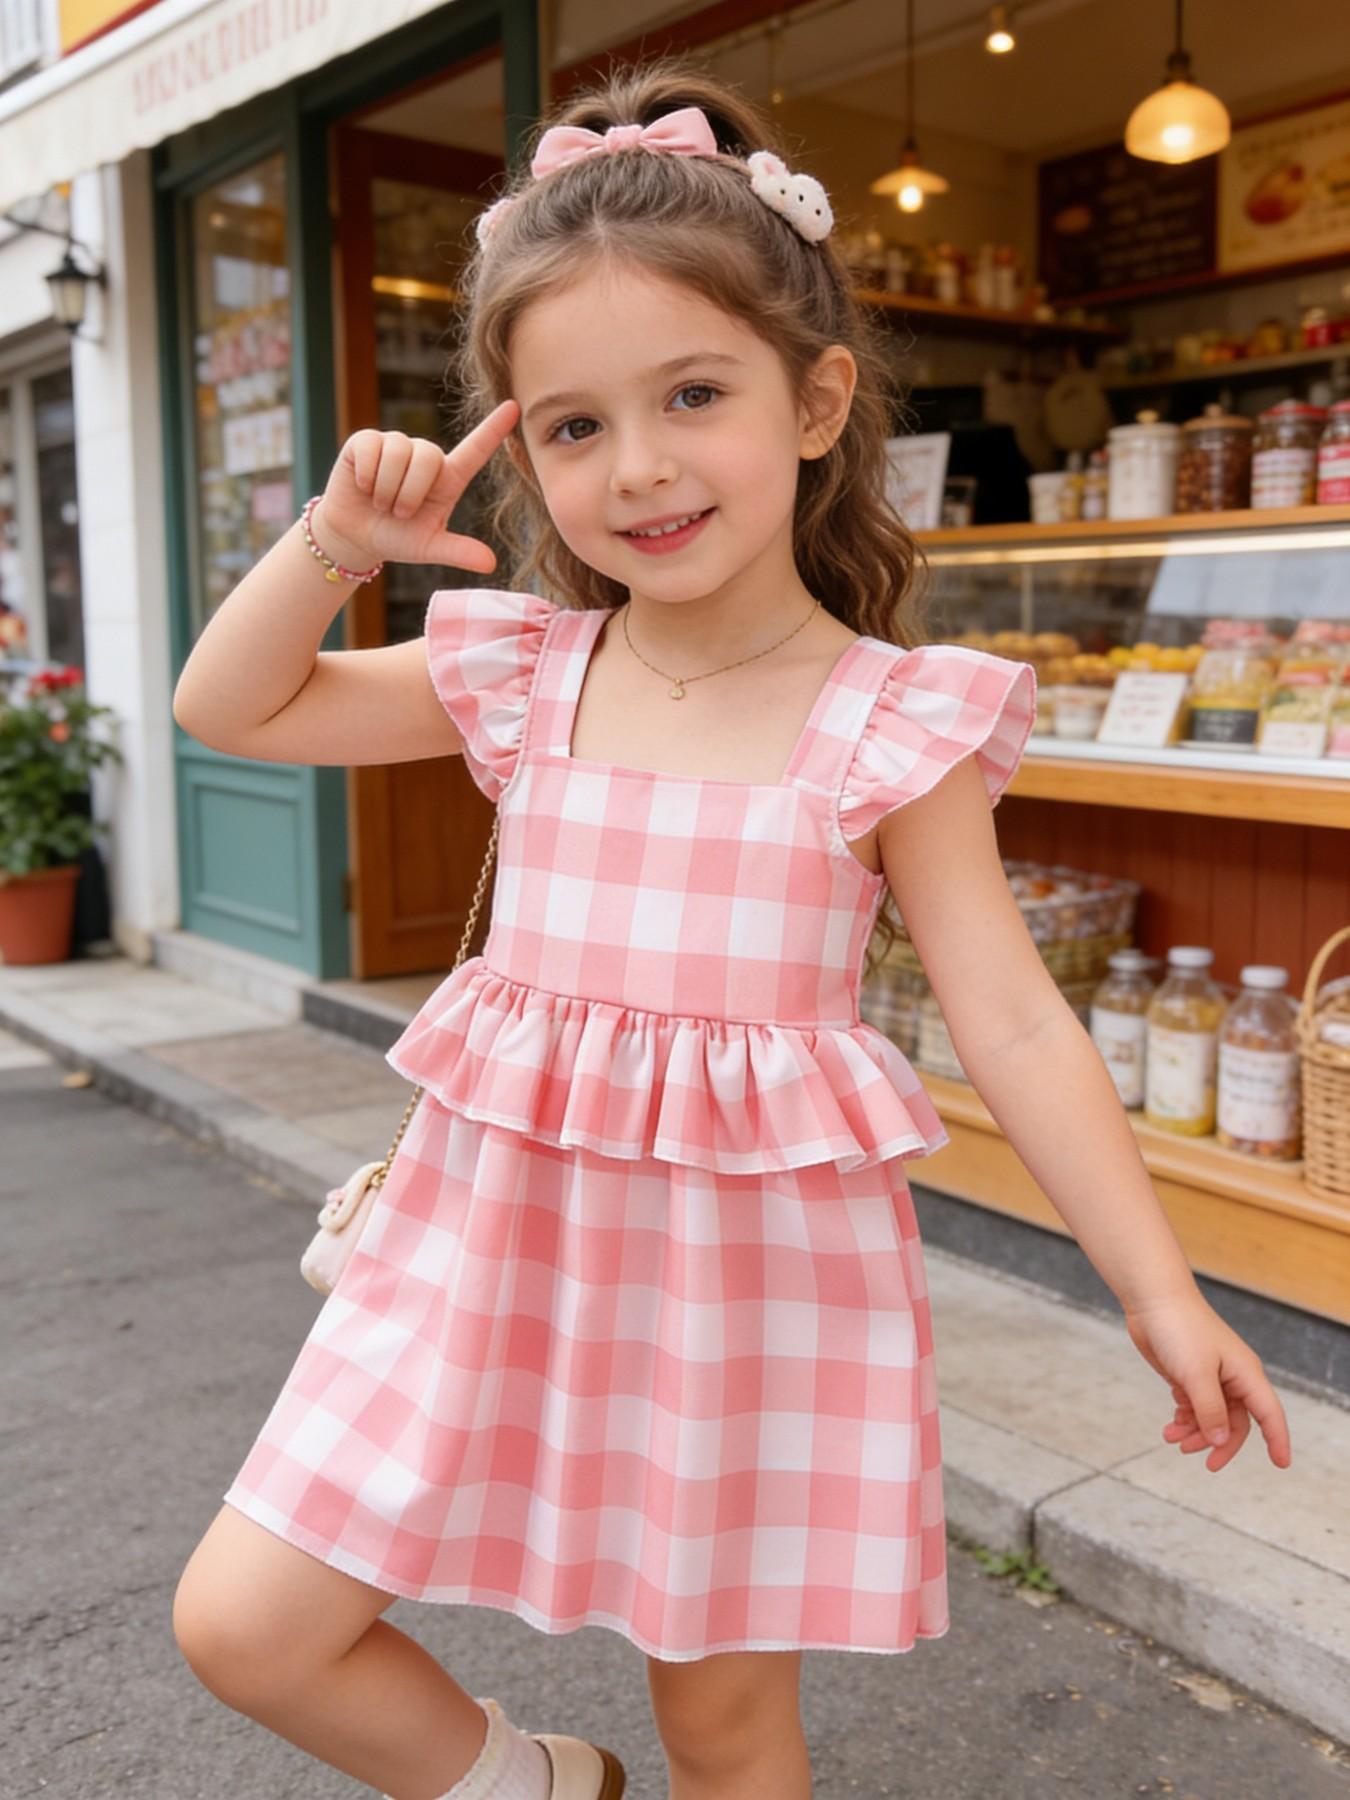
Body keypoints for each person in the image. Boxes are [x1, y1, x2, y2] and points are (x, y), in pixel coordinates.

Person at [168, 58, 1292, 1800]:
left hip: (738, 1295)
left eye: (693, 392)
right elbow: (232, 709)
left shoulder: (886, 719)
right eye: (573, 424)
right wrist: (336, 539)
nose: (639, 468)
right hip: (479, 1255)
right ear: (522, 451)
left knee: (724, 1728)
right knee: (246, 1625)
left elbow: (1008, 1020)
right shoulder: (526, 665)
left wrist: (1158, 1289)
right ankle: (545, 1784)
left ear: (818, 399)